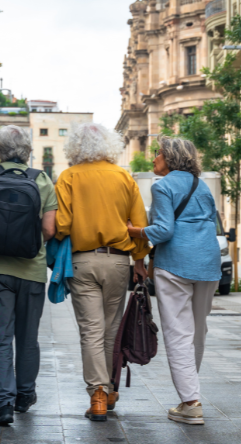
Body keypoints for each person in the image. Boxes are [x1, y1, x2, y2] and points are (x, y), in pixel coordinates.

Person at [54, 123, 149, 422]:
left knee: (91, 331)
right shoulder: (123, 176)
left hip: (82, 261)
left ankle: (97, 393)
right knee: (110, 329)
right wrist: (139, 260)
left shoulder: (68, 177)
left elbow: (63, 225)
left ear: (76, 147)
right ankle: (107, 391)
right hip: (119, 261)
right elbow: (139, 223)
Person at [127, 137, 221, 425]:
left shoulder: (162, 186)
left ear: (170, 158)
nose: (154, 158)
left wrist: (135, 231)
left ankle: (191, 402)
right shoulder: (202, 185)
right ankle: (188, 396)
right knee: (197, 330)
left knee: (178, 332)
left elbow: (164, 230)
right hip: (208, 261)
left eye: (158, 154)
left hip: (177, 263)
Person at [0, 126, 58, 425]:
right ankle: (25, 394)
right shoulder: (42, 179)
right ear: (27, 149)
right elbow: (49, 229)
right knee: (28, 338)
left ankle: (3, 404)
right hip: (32, 270)